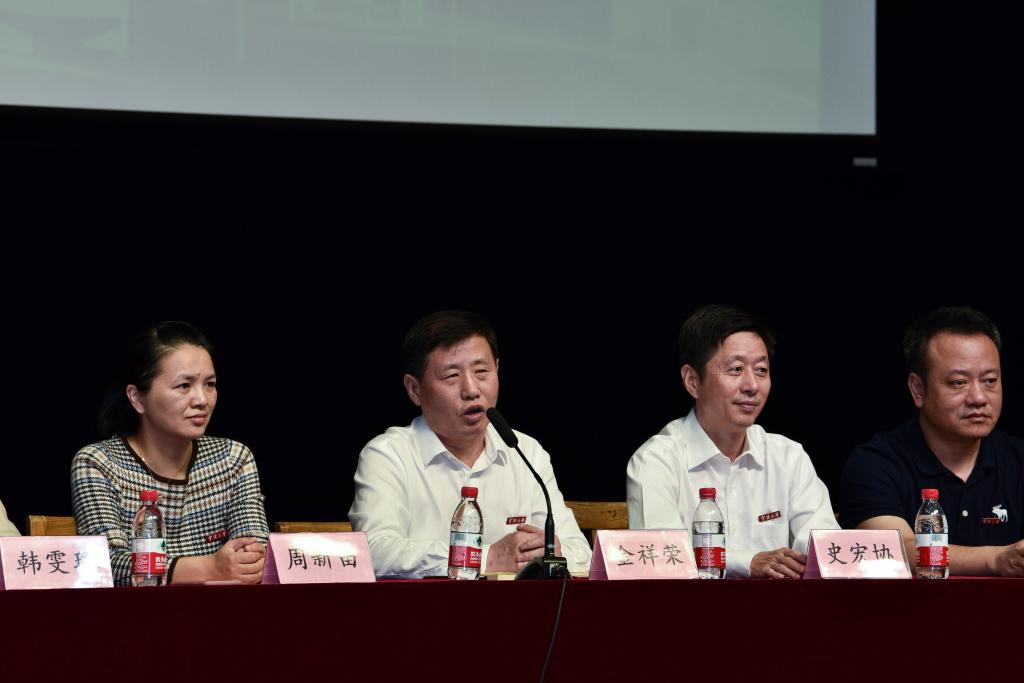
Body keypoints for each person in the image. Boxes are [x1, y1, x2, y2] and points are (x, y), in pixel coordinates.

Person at [349, 310, 591, 578]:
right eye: (452, 376)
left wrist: (552, 552)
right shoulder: (388, 455)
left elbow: (580, 551)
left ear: (497, 369)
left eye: (481, 372)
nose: (472, 390)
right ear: (414, 389)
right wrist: (486, 557)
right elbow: (375, 551)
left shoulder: (526, 451)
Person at [626, 305, 838, 578]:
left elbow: (825, 550)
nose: (752, 385)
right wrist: (748, 562)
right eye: (736, 369)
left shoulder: (788, 457)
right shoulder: (657, 461)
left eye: (761, 370)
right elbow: (662, 559)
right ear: (693, 381)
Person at [71, 321, 269, 585]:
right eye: (184, 386)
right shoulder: (99, 463)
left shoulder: (233, 459)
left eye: (210, 384)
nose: (202, 400)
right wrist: (209, 567)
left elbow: (255, 549)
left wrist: (248, 560)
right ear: (137, 398)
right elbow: (106, 564)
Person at [841, 307, 1024, 576]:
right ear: (918, 389)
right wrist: (999, 559)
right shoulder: (875, 464)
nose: (979, 398)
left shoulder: (1018, 459)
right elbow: (892, 550)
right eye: (959, 382)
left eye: (989, 381)